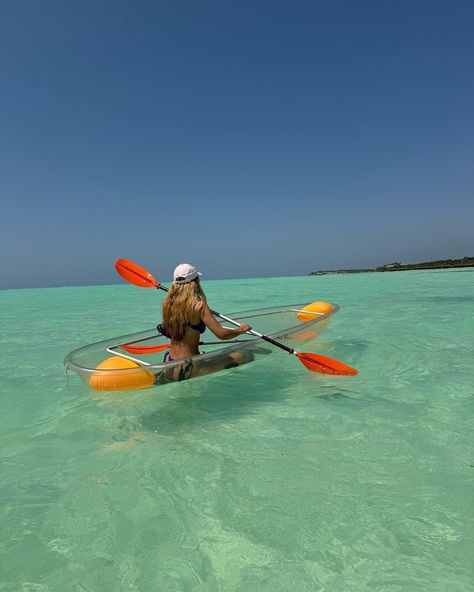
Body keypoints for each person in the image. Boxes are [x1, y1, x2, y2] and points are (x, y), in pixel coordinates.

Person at [157, 263, 251, 380]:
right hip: (188, 368)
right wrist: (240, 330)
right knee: (243, 355)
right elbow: (221, 334)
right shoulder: (198, 306)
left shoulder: (168, 305)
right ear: (195, 281)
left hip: (168, 365)